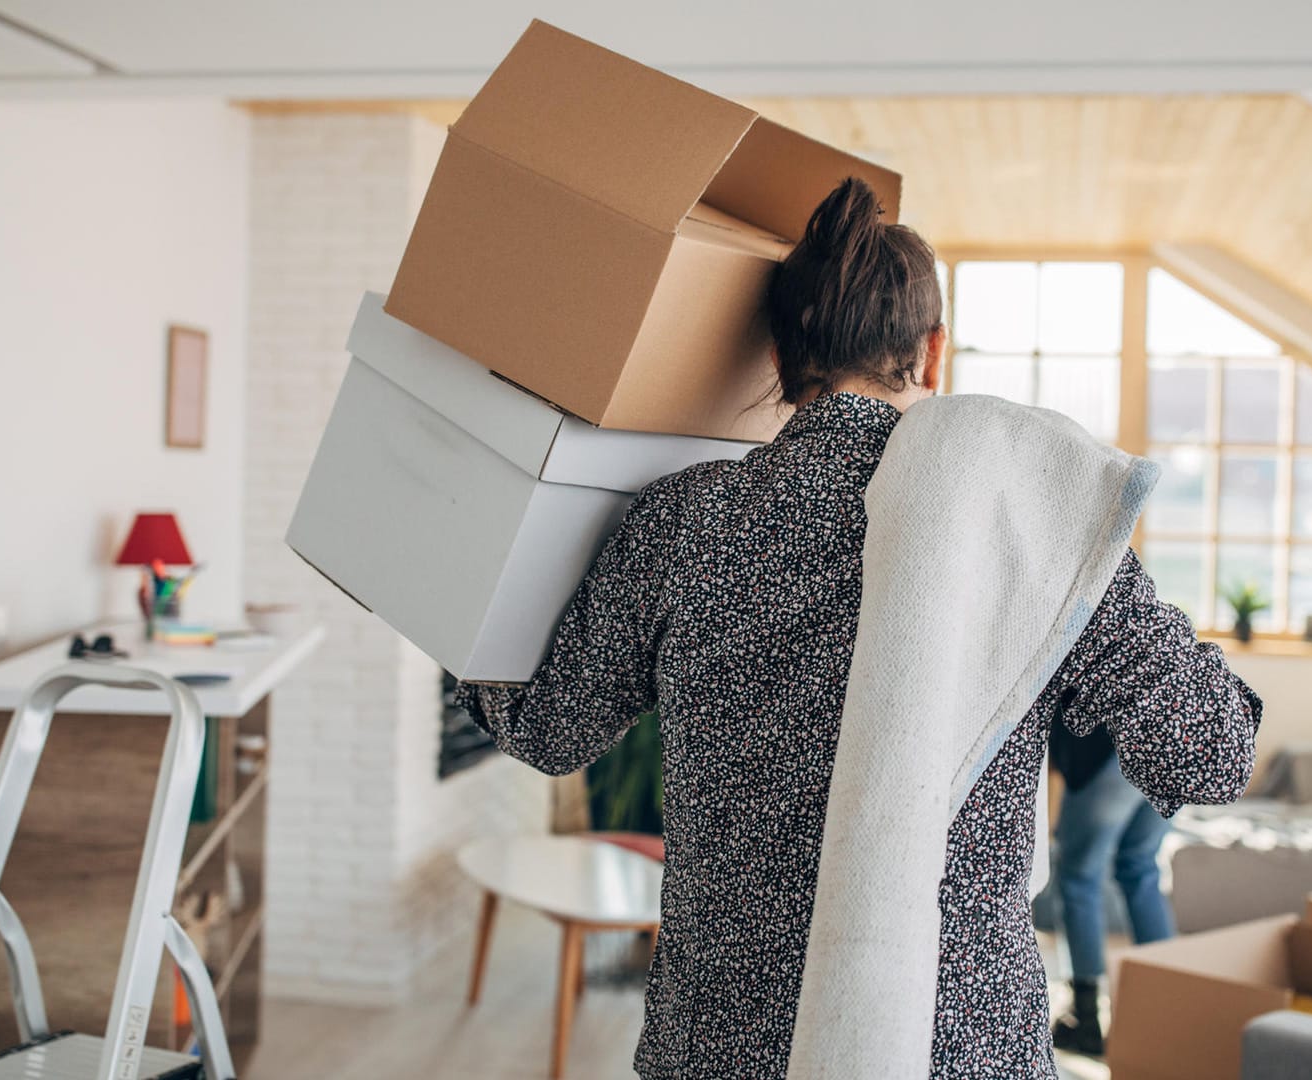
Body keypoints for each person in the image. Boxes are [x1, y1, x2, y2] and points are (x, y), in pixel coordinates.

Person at [452, 177, 1261, 1080]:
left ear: (779, 356)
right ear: (934, 353)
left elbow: (546, 728)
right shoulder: (1029, 533)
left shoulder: (686, 523)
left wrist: (453, 595)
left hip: (722, 1044)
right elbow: (1209, 757)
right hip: (958, 1043)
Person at [1048, 722, 1178, 1057]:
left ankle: (1085, 1018)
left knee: (1078, 876)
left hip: (1109, 745)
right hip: (1170, 747)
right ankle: (1172, 1008)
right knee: (1140, 868)